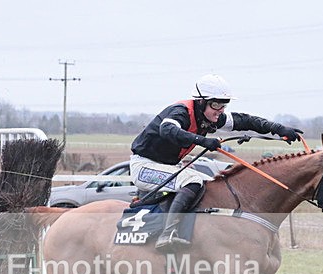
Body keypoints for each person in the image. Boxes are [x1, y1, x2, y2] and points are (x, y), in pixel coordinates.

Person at [130, 74, 303, 249]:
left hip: (168, 167)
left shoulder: (210, 116)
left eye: (223, 104)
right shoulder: (181, 112)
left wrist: (278, 128)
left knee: (205, 184)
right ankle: (167, 235)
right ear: (200, 102)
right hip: (144, 166)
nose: (220, 110)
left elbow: (245, 121)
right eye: (215, 104)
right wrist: (202, 140)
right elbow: (167, 129)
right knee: (193, 180)